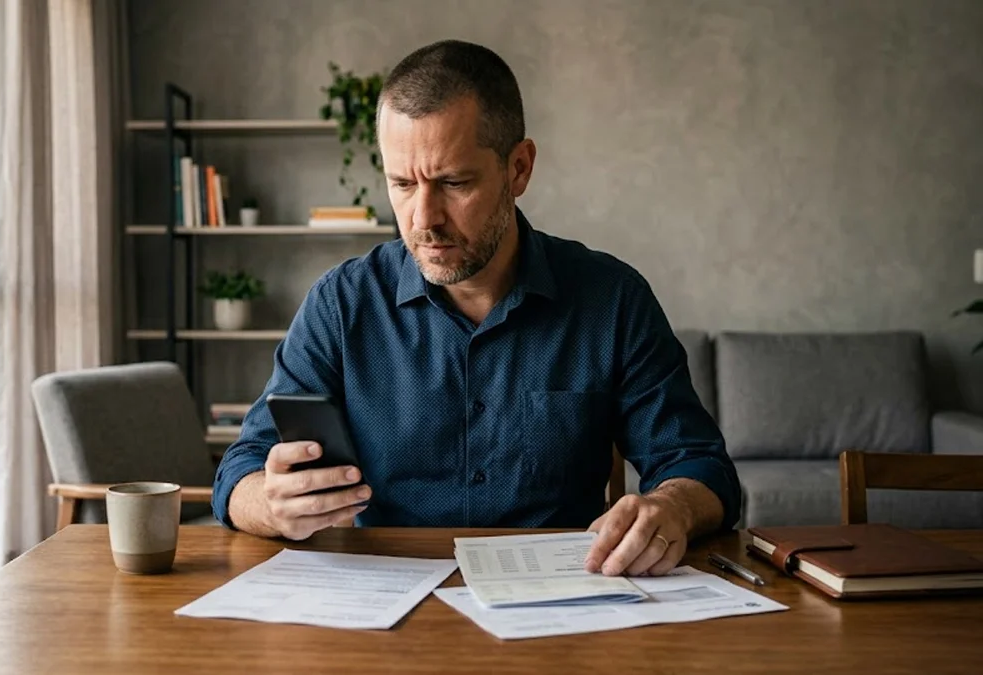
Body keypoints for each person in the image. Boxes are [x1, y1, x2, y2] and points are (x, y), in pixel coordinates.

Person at [211, 39, 740, 577]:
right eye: (401, 184)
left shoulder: (613, 300)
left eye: (453, 183)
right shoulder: (341, 304)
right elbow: (240, 472)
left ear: (518, 169)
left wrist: (671, 506)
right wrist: (269, 502)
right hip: (388, 609)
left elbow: (699, 466)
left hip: (561, 610)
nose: (423, 218)